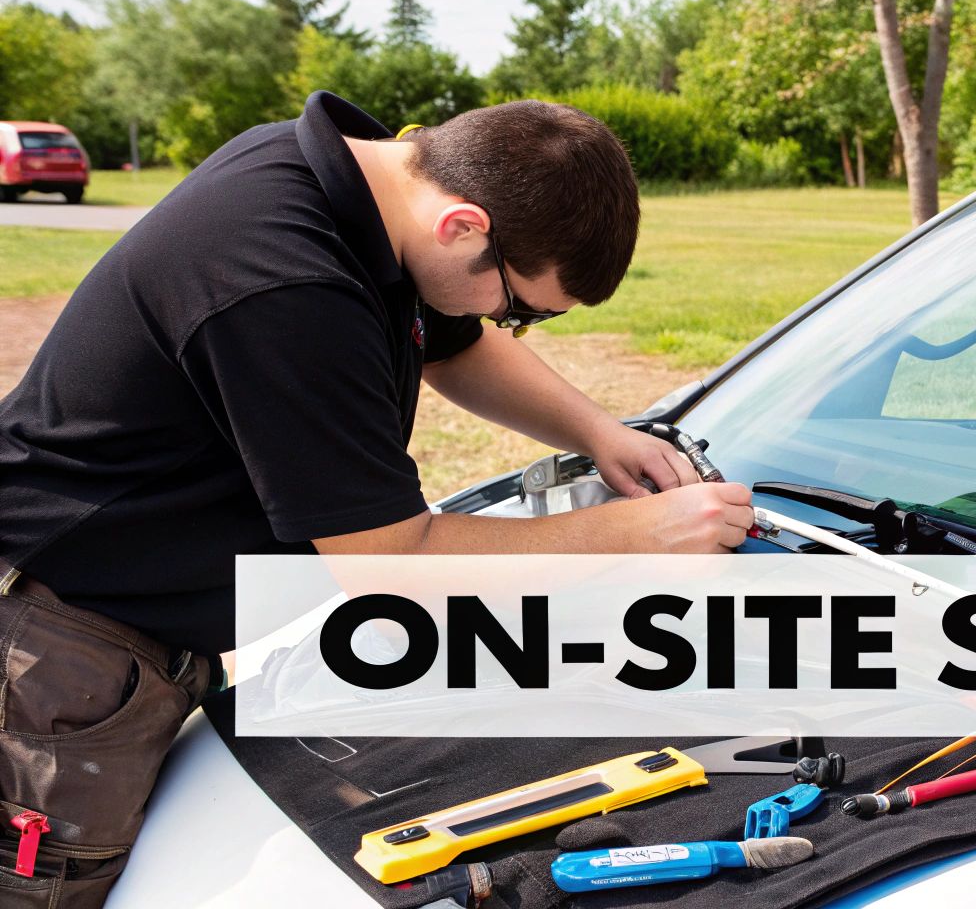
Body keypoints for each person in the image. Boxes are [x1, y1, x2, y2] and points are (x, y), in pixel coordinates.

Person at [0, 92, 752, 906]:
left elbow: (450, 342)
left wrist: (603, 435)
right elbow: (393, 561)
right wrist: (637, 534)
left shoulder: (363, 187)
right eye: (522, 310)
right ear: (463, 226)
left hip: (123, 632)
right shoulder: (282, 279)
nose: (510, 324)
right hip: (50, 659)